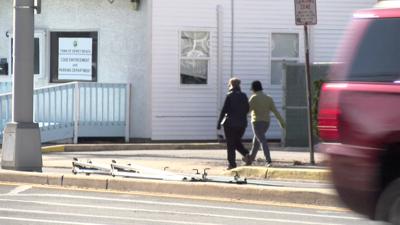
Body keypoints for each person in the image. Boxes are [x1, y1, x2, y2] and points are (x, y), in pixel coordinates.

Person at [247, 81, 285, 167]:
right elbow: (275, 111)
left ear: (253, 89)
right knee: (256, 141)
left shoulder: (254, 98)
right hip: (266, 123)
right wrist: (281, 122)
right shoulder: (269, 98)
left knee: (262, 141)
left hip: (256, 122)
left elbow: (247, 110)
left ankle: (268, 160)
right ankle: (250, 159)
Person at [217, 78, 250, 170]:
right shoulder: (244, 96)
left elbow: (224, 110)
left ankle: (232, 164)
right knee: (236, 141)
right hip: (242, 124)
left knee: (231, 144)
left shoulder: (229, 96)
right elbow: (247, 109)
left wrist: (219, 123)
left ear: (231, 85)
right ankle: (246, 155)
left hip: (230, 124)